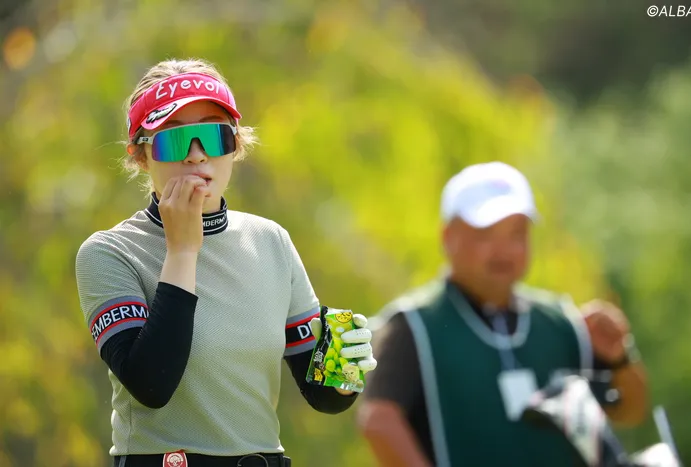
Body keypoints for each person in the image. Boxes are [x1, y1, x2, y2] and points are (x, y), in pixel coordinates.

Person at [75, 58, 377, 467]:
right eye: (175, 140)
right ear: (140, 155)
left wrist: (345, 368)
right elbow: (151, 385)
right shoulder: (109, 252)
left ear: (235, 145)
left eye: (214, 136)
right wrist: (183, 252)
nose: (197, 155)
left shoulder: (270, 240)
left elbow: (324, 397)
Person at [357, 161, 648, 467]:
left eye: (517, 233)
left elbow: (629, 411)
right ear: (448, 237)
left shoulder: (561, 322)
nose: (504, 250)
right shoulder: (414, 326)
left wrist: (619, 357)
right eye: (485, 234)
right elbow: (379, 422)